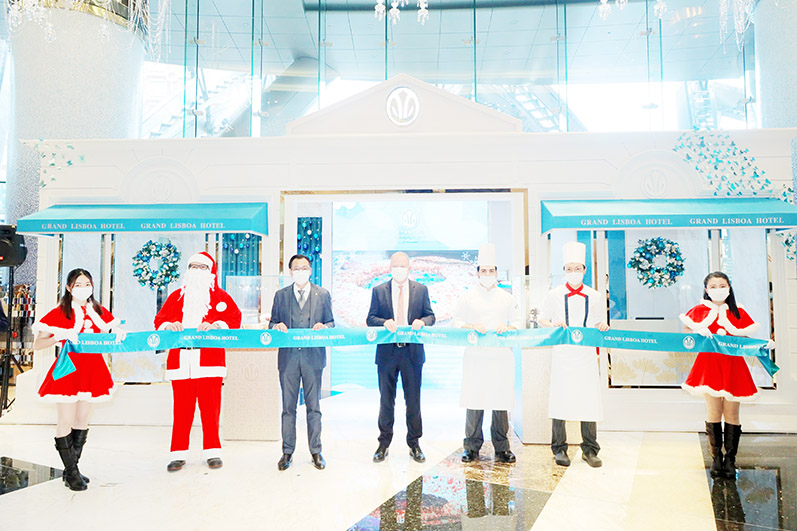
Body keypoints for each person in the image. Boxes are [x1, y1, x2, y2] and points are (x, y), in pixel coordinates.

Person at [32, 268, 125, 491]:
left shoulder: (97, 310)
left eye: (87, 284)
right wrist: (59, 336)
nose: (84, 288)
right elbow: (38, 344)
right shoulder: (59, 312)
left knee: (82, 419)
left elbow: (109, 331)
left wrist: (118, 333)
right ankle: (72, 473)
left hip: (93, 370)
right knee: (65, 419)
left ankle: (71, 469)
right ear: (68, 287)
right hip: (68, 369)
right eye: (78, 284)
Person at [681, 271, 774, 479]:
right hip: (709, 365)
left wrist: (762, 345)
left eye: (722, 285)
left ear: (729, 288)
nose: (718, 289)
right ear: (706, 290)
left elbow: (745, 338)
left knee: (732, 413)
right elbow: (686, 331)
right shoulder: (699, 310)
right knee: (714, 411)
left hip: (734, 366)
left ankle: (730, 459)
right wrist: (697, 332)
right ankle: (716, 458)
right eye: (713, 286)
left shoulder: (737, 311)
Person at [154, 251, 241, 473]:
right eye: (193, 266)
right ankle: (178, 454)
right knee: (181, 410)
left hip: (209, 361)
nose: (197, 271)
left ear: (211, 272)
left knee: (211, 409)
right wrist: (168, 325)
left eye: (202, 267)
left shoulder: (221, 297)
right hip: (181, 361)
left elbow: (235, 319)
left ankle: (212, 452)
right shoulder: (176, 297)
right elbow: (159, 320)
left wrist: (216, 325)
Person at [539, 241, 609, 468]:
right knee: (560, 398)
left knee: (589, 399)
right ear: (564, 271)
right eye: (569, 269)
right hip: (563, 354)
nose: (573, 272)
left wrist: (602, 326)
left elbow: (599, 322)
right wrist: (552, 324)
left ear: (584, 270)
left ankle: (590, 449)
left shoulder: (595, 295)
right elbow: (542, 319)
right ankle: (559, 448)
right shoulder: (554, 294)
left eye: (577, 268)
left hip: (586, 355)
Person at [452, 243, 522, 464]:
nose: (488, 274)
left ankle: (502, 447)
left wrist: (508, 327)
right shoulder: (467, 297)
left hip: (501, 357)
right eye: (484, 270)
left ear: (496, 272)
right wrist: (470, 326)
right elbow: (456, 322)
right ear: (477, 273)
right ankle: (471, 447)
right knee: (475, 400)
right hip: (476, 357)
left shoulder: (507, 298)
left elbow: (518, 321)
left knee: (500, 402)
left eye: (491, 271)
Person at [367, 251, 435, 464]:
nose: (399, 269)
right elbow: (370, 318)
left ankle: (414, 443)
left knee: (413, 401)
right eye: (395, 266)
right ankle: (383, 443)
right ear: (390, 268)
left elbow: (431, 316)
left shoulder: (421, 290)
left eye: (402, 266)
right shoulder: (378, 290)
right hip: (387, 354)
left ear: (409, 268)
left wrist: (423, 322)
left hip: (412, 353)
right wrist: (383, 322)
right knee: (386, 401)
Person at [269, 254, 335, 471]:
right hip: (288, 359)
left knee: (313, 407)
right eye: (296, 268)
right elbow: (272, 323)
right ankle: (287, 452)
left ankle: (316, 451)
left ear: (310, 270)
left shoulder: (322, 294)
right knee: (288, 408)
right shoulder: (281, 295)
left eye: (304, 268)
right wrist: (276, 326)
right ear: (290, 271)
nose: (300, 271)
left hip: (313, 358)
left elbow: (331, 323)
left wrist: (324, 327)